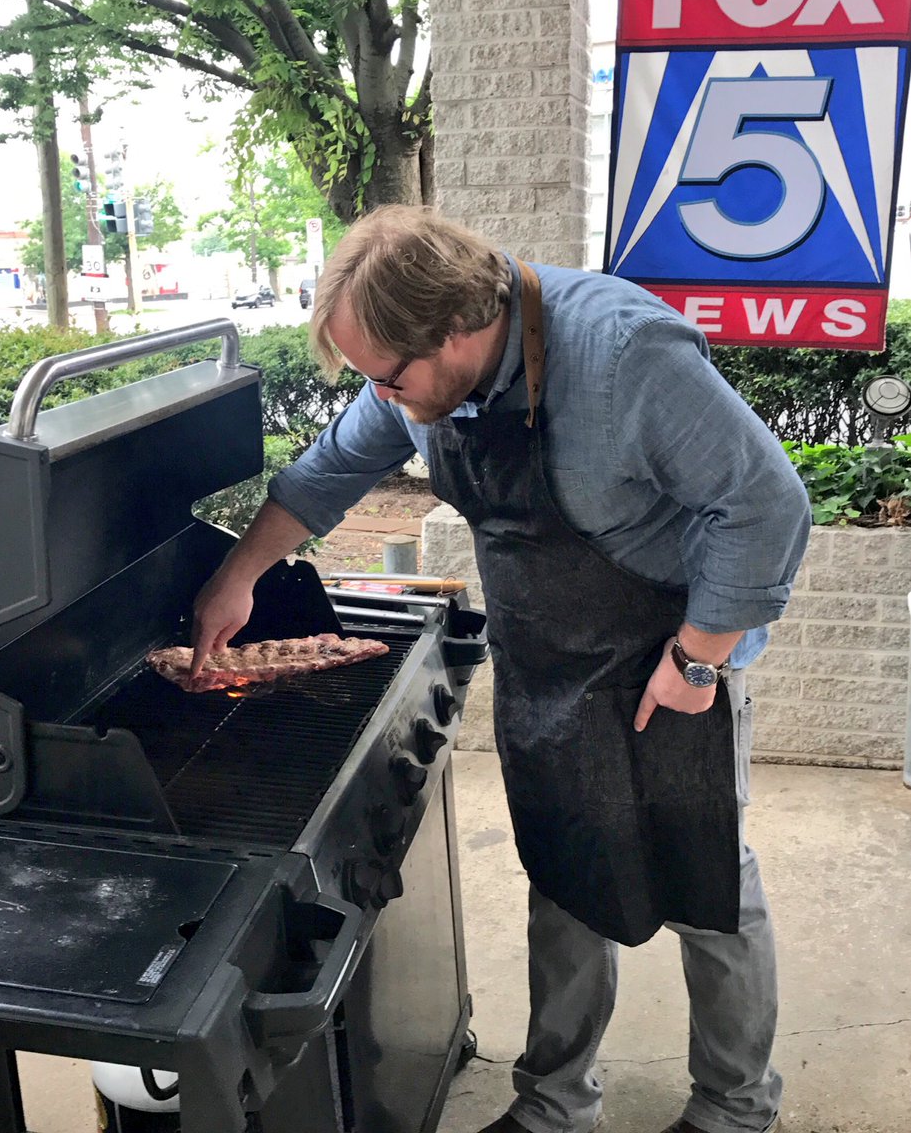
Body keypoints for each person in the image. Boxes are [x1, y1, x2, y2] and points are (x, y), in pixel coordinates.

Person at [190, 206, 809, 1133]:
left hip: (667, 653)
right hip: (545, 657)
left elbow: (764, 503)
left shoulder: (623, 354)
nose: (383, 399)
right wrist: (239, 573)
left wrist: (696, 659)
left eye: (388, 379)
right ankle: (556, 1105)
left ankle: (733, 1105)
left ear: (457, 328)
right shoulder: (416, 372)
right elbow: (326, 473)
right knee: (563, 869)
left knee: (704, 883)